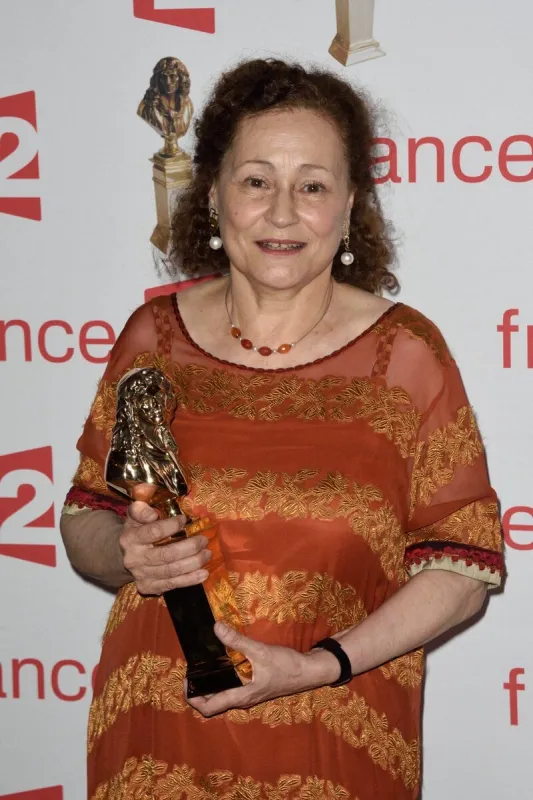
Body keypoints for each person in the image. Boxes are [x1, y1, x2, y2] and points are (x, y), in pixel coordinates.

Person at [60, 59, 503, 800]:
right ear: (212, 192)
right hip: (155, 743)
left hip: (333, 740)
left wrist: (318, 664)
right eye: (256, 180)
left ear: (348, 203)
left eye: (312, 186)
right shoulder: (152, 339)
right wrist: (129, 552)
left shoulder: (406, 357)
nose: (282, 212)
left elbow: (463, 568)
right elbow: (86, 521)